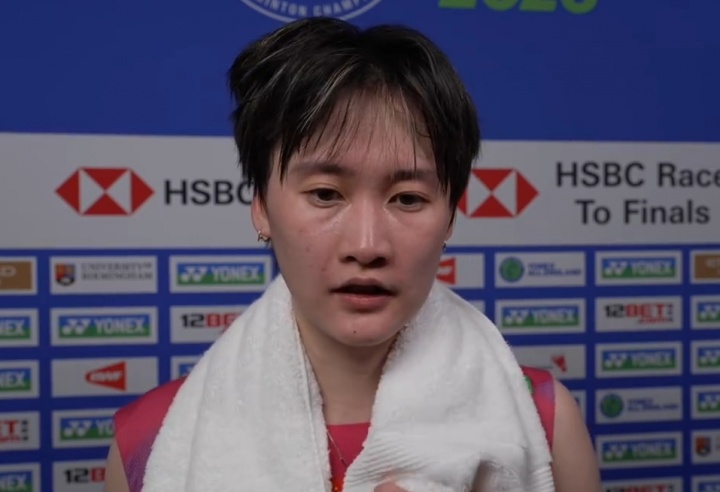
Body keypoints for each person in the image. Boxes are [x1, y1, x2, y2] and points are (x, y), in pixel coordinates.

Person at [104, 17, 601, 492]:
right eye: (325, 194)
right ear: (262, 208)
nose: (367, 245)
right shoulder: (151, 438)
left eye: (408, 199)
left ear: (450, 216)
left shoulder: (542, 423)